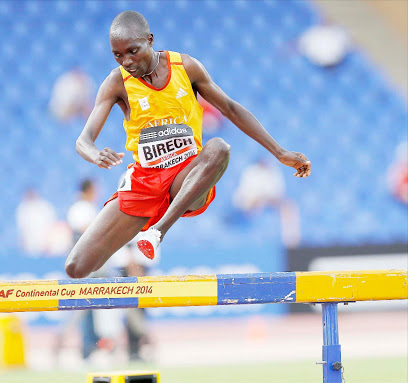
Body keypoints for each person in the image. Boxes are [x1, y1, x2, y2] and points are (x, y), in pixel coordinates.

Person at [65, 11, 311, 278]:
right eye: (117, 55)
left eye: (132, 51)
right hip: (144, 182)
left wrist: (280, 152)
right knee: (76, 268)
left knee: (219, 148)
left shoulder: (186, 67)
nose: (127, 61)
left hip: (187, 176)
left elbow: (229, 107)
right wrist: (95, 154)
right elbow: (83, 140)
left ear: (150, 40)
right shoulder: (116, 82)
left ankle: (157, 231)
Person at [232, 158, 301, 248]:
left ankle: (292, 242)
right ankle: (253, 242)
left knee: (288, 207)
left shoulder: (274, 171)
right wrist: (259, 198)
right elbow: (245, 193)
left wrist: (268, 199)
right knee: (253, 205)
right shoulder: (250, 172)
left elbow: (278, 193)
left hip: (268, 202)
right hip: (250, 202)